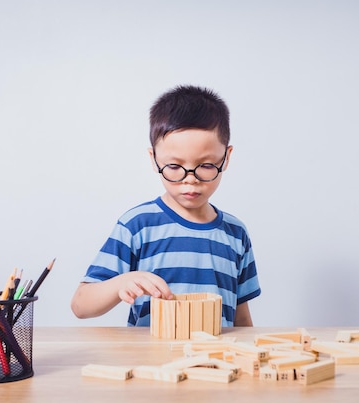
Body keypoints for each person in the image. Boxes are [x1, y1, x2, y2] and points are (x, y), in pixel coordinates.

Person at [71, 85, 261, 327]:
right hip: (151, 363)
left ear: (226, 157)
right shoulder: (137, 225)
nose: (189, 179)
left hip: (215, 362)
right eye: (173, 167)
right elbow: (80, 305)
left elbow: (241, 317)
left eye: (205, 166)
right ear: (154, 160)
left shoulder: (236, 233)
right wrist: (122, 282)